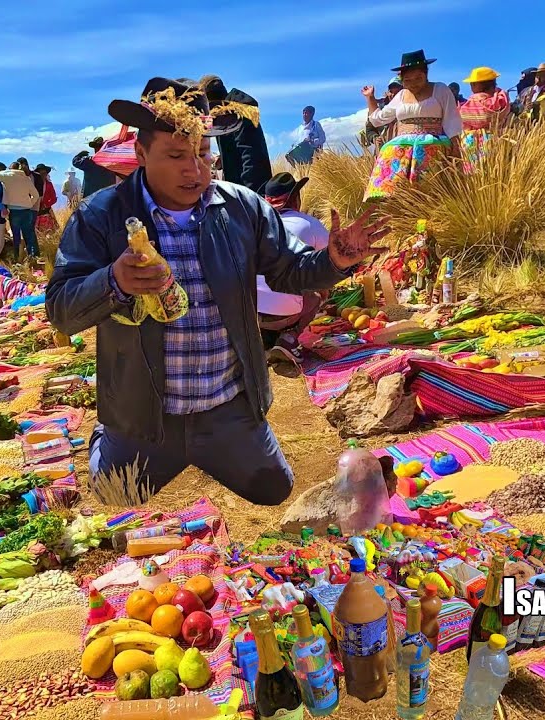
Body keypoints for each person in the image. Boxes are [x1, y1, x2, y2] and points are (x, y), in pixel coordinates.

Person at [46, 77, 388, 506]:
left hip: (228, 407)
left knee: (273, 491)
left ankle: (228, 439)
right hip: (145, 414)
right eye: (175, 155)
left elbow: (289, 271)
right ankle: (110, 435)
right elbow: (61, 310)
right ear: (140, 153)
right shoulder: (101, 216)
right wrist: (113, 281)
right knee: (118, 499)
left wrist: (334, 262)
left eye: (203, 154)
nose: (194, 170)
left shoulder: (242, 206)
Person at [362, 50, 462, 201]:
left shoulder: (440, 90)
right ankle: (398, 216)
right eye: (408, 80)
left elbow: (452, 120)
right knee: (396, 195)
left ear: (426, 73)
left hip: (431, 146)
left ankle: (425, 220)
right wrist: (370, 98)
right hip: (402, 151)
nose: (413, 84)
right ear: (402, 80)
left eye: (418, 78)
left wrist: (456, 148)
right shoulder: (401, 95)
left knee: (428, 195)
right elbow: (377, 119)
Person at [256, 172, 332, 367]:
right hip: (284, 314)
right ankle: (289, 338)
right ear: (295, 200)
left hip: (251, 315)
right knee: (315, 294)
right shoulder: (308, 223)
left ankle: (262, 338)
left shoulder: (253, 224)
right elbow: (332, 259)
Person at [199, 74, 272, 193]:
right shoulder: (226, 115)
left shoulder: (237, 115)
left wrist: (247, 195)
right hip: (243, 188)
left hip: (251, 190)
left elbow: (250, 156)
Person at [0, 160, 40, 261]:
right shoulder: (26, 179)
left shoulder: (7, 177)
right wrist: (29, 204)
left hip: (13, 212)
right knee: (29, 235)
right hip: (27, 211)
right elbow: (35, 195)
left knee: (16, 237)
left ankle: (17, 258)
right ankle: (34, 257)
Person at [459, 67, 511, 168]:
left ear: (478, 84)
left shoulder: (472, 103)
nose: (471, 85)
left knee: (474, 175)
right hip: (496, 140)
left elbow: (461, 118)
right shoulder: (501, 101)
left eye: (473, 83)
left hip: (473, 143)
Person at [34, 164, 60, 235]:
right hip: (35, 212)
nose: (42, 175)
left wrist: (47, 205)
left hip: (46, 211)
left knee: (49, 233)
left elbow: (54, 198)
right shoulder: (33, 184)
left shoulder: (49, 184)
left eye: (44, 173)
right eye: (40, 173)